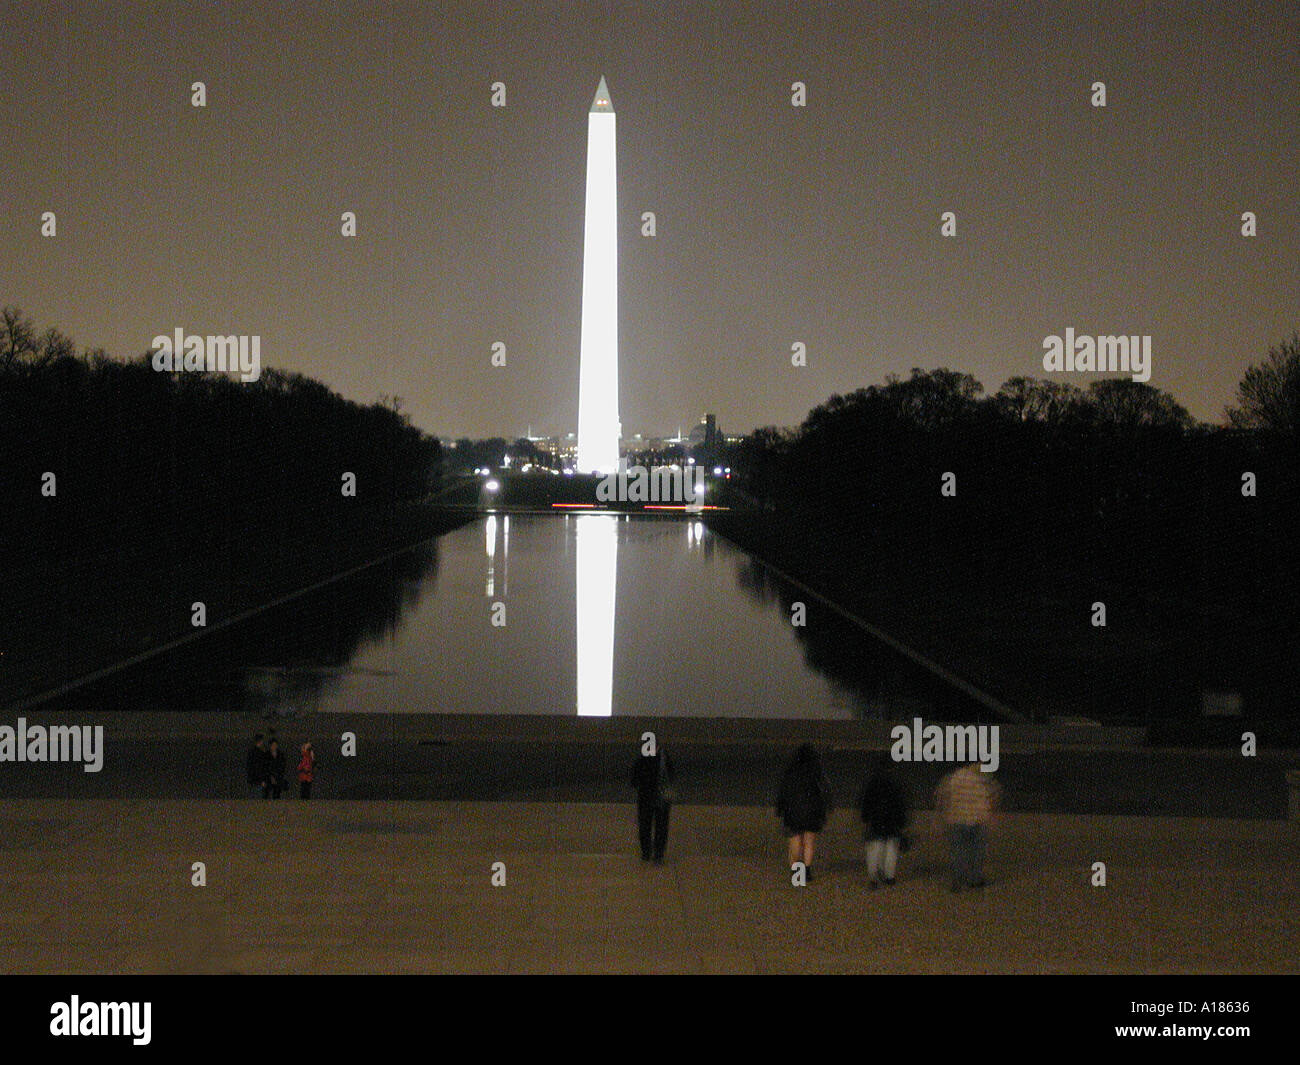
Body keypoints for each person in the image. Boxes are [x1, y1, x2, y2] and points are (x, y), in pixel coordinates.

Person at [934, 758, 1001, 892]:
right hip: (978, 819)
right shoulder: (984, 778)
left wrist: (941, 815)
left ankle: (957, 880)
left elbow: (941, 797)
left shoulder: (952, 778)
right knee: (977, 852)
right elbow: (995, 795)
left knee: (958, 851)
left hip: (956, 819)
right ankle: (975, 879)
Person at [776, 744, 830, 880]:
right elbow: (824, 792)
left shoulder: (789, 773)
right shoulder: (816, 772)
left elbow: (783, 792)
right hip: (812, 811)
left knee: (795, 841)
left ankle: (796, 871)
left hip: (792, 810)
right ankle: (807, 870)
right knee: (808, 842)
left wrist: (780, 809)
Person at [858, 753, 908, 888]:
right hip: (892, 820)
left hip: (876, 820)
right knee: (891, 850)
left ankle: (873, 877)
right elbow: (901, 803)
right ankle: (889, 876)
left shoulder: (872, 783)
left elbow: (866, 802)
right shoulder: (895, 782)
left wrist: (865, 817)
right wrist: (902, 821)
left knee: (875, 849)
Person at [630, 746, 675, 864]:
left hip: (645, 797)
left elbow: (634, 779)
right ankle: (658, 854)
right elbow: (671, 774)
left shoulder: (642, 758)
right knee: (661, 826)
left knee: (645, 825)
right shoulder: (664, 758)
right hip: (661, 798)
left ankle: (646, 852)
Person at [246, 733, 271, 799]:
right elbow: (259, 768)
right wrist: (262, 780)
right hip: (258, 782)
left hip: (252, 781)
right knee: (258, 803)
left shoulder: (251, 752)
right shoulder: (259, 753)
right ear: (260, 741)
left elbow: (250, 768)